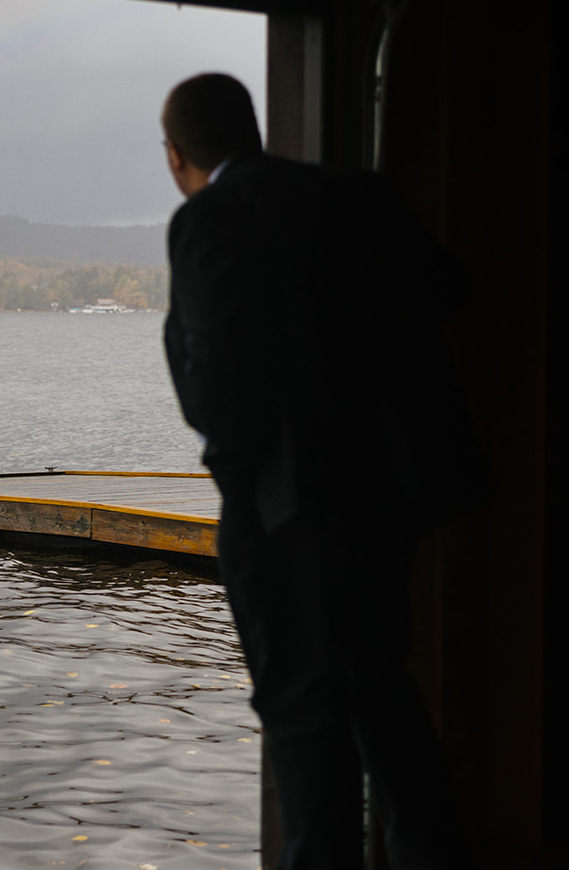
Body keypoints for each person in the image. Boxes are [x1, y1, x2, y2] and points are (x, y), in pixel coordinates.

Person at [160, 73, 489, 870]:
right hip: (390, 494)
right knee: (380, 688)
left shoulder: (209, 220)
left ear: (175, 157)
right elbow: (450, 286)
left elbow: (215, 397)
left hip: (287, 510)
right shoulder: (358, 196)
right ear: (254, 128)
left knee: (303, 717)